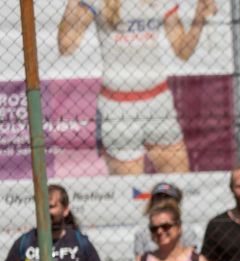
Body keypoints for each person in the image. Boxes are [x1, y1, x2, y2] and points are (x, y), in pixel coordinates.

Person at [57, 0, 216, 174]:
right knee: (129, 192)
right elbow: (66, 46)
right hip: (118, 108)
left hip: (159, 103)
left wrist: (199, 19)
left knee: (177, 184)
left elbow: (182, 50)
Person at [131, 183, 200, 257]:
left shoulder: (188, 231)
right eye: (158, 198)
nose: (163, 202)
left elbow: (191, 260)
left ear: (177, 203)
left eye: (168, 198)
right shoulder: (141, 233)